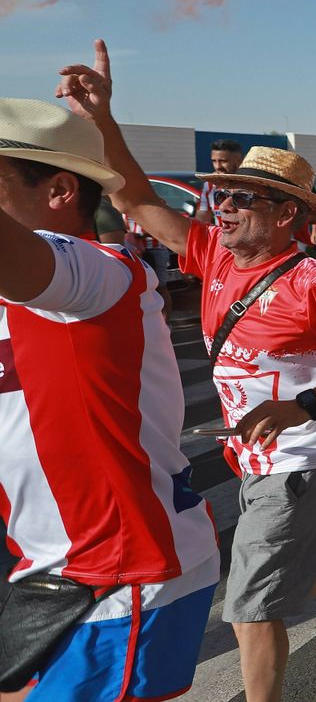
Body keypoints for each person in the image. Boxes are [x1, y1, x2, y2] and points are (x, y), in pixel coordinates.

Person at [67, 43, 316, 701]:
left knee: (249, 604)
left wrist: (302, 406)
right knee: (300, 572)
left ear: (288, 213)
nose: (225, 205)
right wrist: (104, 122)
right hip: (254, 455)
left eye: (244, 197)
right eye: (223, 194)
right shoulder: (212, 251)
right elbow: (134, 193)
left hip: (303, 454)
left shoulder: (314, 281)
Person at [0, 93, 219, 700]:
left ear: (61, 192)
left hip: (122, 573)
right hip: (46, 570)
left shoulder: (100, 271)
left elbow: (134, 202)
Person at [195, 138, 245, 225]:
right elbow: (201, 222)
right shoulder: (209, 186)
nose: (218, 166)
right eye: (214, 161)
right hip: (221, 237)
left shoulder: (252, 185)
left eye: (223, 161)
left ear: (240, 160)